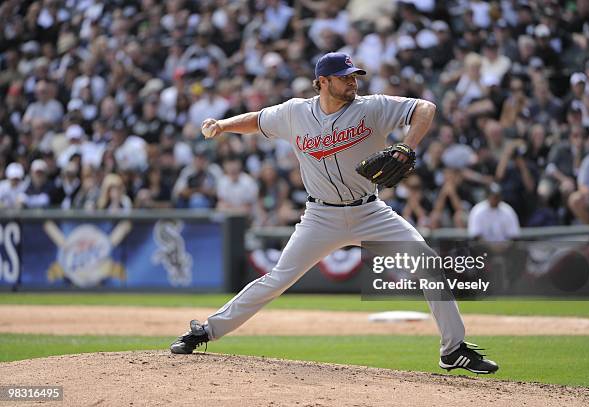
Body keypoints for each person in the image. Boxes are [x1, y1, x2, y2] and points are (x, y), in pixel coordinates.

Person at [170, 52, 498, 374]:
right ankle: (207, 331)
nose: (353, 82)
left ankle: (453, 349)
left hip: (371, 212)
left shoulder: (372, 107)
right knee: (277, 279)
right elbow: (256, 120)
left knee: (428, 266)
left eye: (355, 76)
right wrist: (222, 125)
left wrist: (408, 145)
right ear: (323, 82)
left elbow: (426, 108)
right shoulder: (294, 113)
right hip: (320, 217)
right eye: (345, 77)